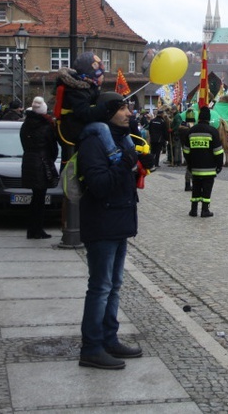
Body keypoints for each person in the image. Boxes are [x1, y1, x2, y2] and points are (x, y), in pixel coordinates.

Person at [77, 92, 144, 370]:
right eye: (122, 109)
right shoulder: (94, 143)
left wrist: (139, 165)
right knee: (101, 287)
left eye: (129, 108)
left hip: (118, 223)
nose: (129, 113)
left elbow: (122, 182)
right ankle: (91, 347)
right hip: (102, 223)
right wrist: (126, 164)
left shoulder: (119, 140)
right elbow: (99, 184)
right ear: (107, 113)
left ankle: (109, 338)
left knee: (114, 287)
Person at [20, 97, 59, 240]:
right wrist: (50, 159)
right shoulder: (46, 126)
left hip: (29, 161)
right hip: (42, 162)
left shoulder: (26, 125)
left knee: (36, 198)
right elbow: (53, 147)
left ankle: (33, 229)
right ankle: (37, 229)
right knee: (40, 199)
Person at [183, 106, 224, 218]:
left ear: (199, 117)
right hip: (209, 168)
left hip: (195, 167)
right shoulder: (213, 131)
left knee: (195, 187)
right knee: (207, 189)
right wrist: (219, 165)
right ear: (209, 118)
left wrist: (190, 164)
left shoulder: (191, 131)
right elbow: (218, 151)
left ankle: (193, 209)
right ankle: (205, 210)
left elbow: (186, 151)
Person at [178, 108, 195, 191]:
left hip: (186, 147)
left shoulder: (184, 125)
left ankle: (188, 184)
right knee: (191, 167)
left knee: (189, 167)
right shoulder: (189, 127)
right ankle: (190, 185)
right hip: (190, 148)